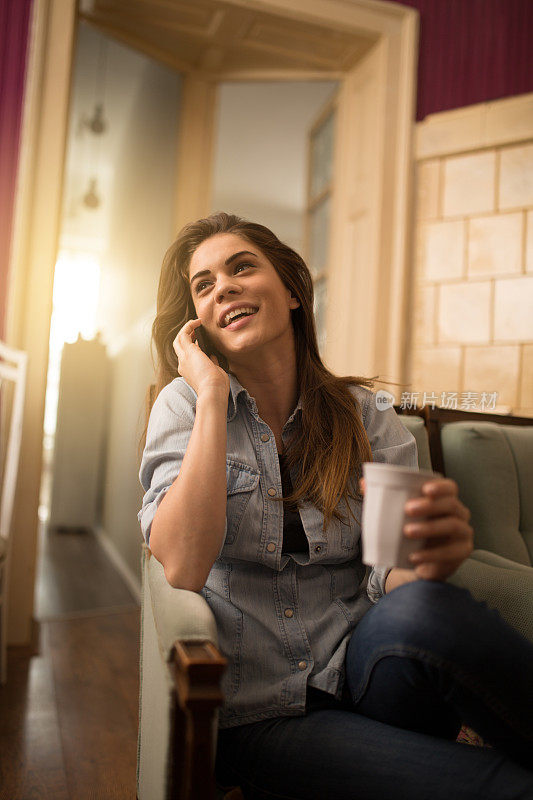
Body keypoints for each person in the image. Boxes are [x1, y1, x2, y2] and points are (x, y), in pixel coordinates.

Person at [138, 212, 533, 800]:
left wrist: (425, 561)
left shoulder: (365, 414)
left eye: (242, 266)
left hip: (364, 667)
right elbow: (183, 565)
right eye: (204, 285)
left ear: (293, 293)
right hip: (263, 712)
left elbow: (392, 570)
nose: (222, 286)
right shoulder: (183, 406)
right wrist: (213, 395)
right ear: (197, 325)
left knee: (427, 604)